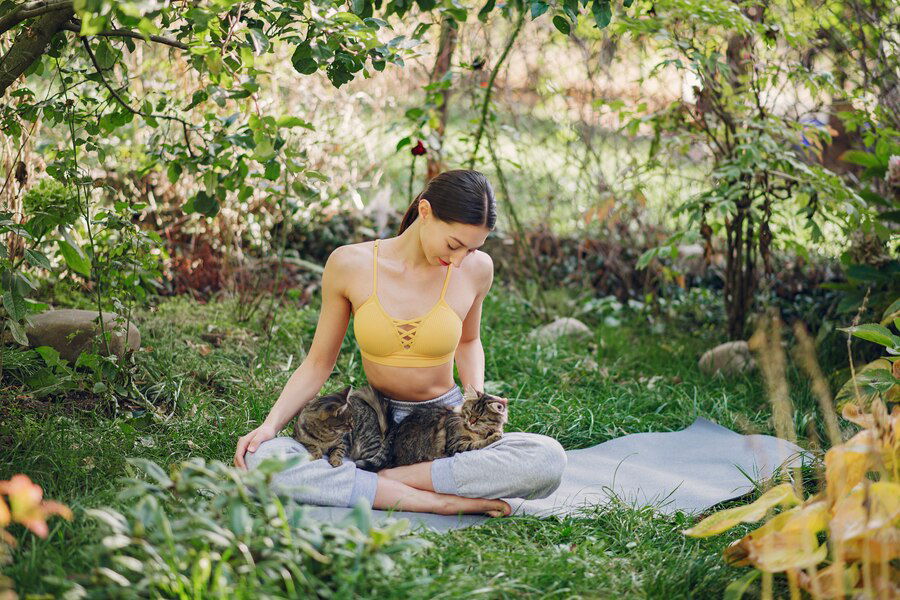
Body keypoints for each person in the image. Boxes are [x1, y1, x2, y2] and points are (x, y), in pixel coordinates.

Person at [234, 170, 566, 516]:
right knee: (263, 458)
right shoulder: (350, 264)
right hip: (369, 425)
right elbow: (319, 362)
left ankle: (388, 482)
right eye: (454, 244)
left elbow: (469, 342)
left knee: (548, 459)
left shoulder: (478, 269)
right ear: (425, 212)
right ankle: (439, 500)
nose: (458, 259)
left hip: (442, 427)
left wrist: (474, 409)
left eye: (471, 249)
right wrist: (270, 426)